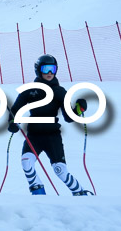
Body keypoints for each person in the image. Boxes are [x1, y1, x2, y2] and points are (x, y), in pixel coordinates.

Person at [8, 54, 92, 196]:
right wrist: (13, 122)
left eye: (53, 69)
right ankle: (39, 195)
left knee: (60, 171)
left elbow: (68, 118)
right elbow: (15, 111)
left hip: (52, 136)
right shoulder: (30, 90)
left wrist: (78, 109)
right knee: (26, 162)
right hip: (34, 135)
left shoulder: (59, 91)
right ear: (38, 70)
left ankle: (80, 194)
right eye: (46, 69)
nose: (49, 73)